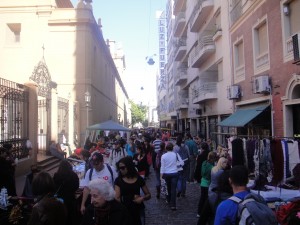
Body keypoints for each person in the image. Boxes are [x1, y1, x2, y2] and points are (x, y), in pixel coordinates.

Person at [115, 156, 151, 225]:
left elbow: (148, 194)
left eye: (122, 168)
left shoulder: (139, 179)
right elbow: (117, 198)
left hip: (138, 209)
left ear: (129, 166)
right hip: (125, 210)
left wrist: (142, 198)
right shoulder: (118, 181)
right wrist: (131, 198)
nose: (121, 170)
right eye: (119, 168)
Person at [53, 160, 79, 225]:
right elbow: (76, 186)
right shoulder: (74, 175)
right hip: (70, 199)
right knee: (70, 216)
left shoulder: (56, 175)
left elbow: (53, 187)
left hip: (60, 199)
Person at [160, 142, 182, 210]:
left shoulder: (163, 156)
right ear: (172, 148)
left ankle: (168, 200)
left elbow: (162, 167)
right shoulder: (175, 154)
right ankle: (173, 205)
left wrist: (161, 176)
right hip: (174, 173)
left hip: (167, 174)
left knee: (168, 188)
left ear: (166, 148)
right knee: (173, 189)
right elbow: (182, 162)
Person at [197, 151, 217, 217]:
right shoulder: (212, 167)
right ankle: (206, 213)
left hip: (203, 183)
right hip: (208, 184)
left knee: (202, 198)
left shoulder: (204, 163)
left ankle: (199, 212)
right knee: (207, 199)